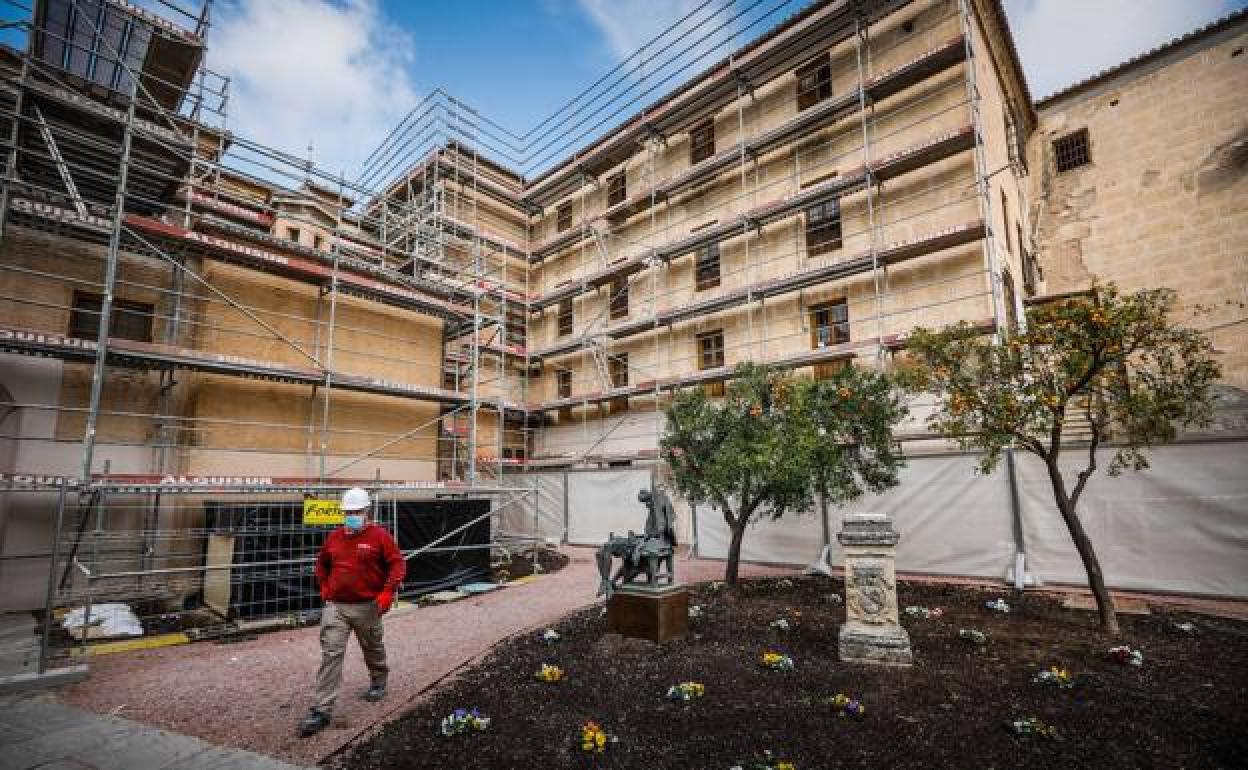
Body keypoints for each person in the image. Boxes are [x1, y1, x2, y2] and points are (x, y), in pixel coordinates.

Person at [299, 487, 406, 738]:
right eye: (348, 512)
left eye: (357, 511)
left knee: (372, 647)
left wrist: (388, 591)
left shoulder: (380, 537)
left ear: (367, 511)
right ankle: (321, 709)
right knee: (331, 653)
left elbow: (397, 563)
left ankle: (379, 679)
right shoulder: (334, 538)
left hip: (368, 606)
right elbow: (322, 564)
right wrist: (324, 587)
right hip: (337, 606)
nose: (352, 515)